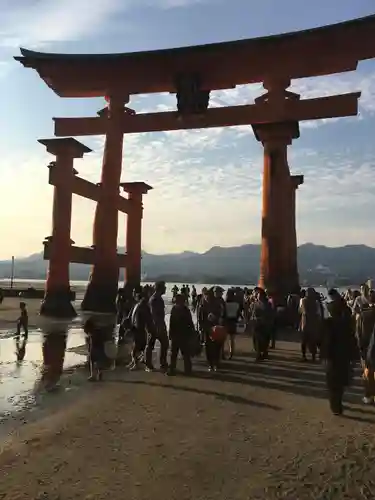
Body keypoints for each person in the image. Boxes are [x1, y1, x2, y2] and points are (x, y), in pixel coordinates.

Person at [322, 289, 357, 415]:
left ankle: (335, 405)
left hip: (334, 356)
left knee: (334, 383)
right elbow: (351, 336)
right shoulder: (344, 319)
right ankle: (336, 405)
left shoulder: (329, 322)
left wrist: (324, 356)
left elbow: (325, 341)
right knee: (339, 382)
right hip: (342, 354)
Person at [168, 294, 195, 376]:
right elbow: (171, 323)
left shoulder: (180, 310)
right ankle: (184, 370)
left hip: (182, 335)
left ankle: (179, 370)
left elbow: (190, 323)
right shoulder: (182, 310)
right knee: (178, 354)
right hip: (180, 335)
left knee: (181, 354)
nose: (176, 303)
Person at [145, 281, 169, 372]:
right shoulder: (155, 299)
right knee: (152, 345)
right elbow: (154, 314)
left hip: (157, 325)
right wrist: (158, 326)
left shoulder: (157, 298)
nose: (166, 289)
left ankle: (161, 363)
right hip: (155, 326)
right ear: (160, 288)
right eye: (164, 287)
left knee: (162, 344)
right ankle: (150, 364)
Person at [224, 289, 241, 359]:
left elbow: (223, 313)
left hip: (226, 321)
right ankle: (231, 353)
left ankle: (222, 353)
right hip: (233, 321)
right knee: (232, 339)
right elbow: (238, 314)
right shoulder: (237, 304)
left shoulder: (225, 304)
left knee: (223, 338)